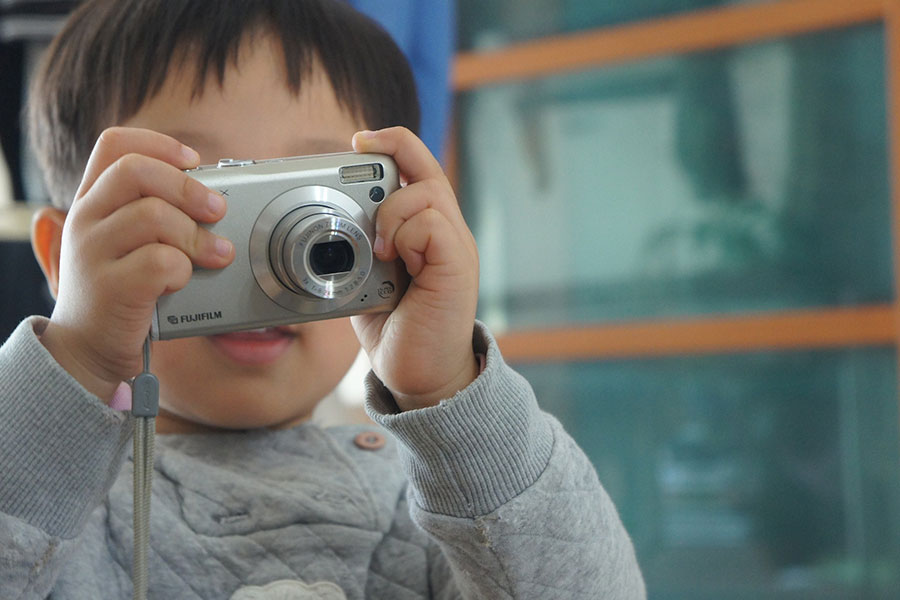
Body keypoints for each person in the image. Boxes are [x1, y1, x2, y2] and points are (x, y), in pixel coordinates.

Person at [0, 1, 645, 598]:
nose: (269, 254)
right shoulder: (51, 509)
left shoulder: (448, 502)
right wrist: (75, 359)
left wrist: (451, 392)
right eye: (197, 198)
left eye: (314, 199)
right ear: (65, 260)